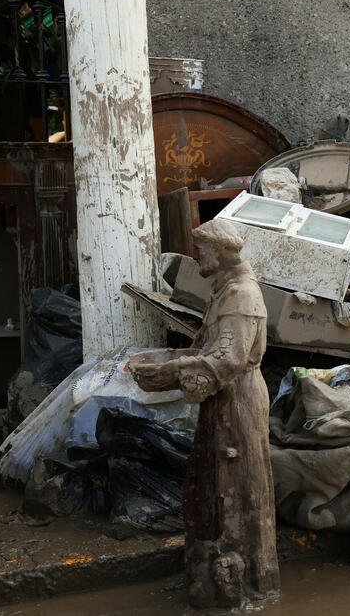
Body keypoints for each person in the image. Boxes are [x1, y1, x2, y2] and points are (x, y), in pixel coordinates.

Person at [129, 219, 279, 607]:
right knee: (218, 484)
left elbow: (228, 360)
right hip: (225, 400)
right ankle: (218, 581)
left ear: (220, 251)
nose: (197, 258)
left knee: (237, 489)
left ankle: (240, 586)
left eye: (201, 250)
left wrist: (174, 370)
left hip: (238, 401)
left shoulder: (241, 294)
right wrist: (181, 361)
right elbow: (209, 348)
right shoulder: (226, 289)